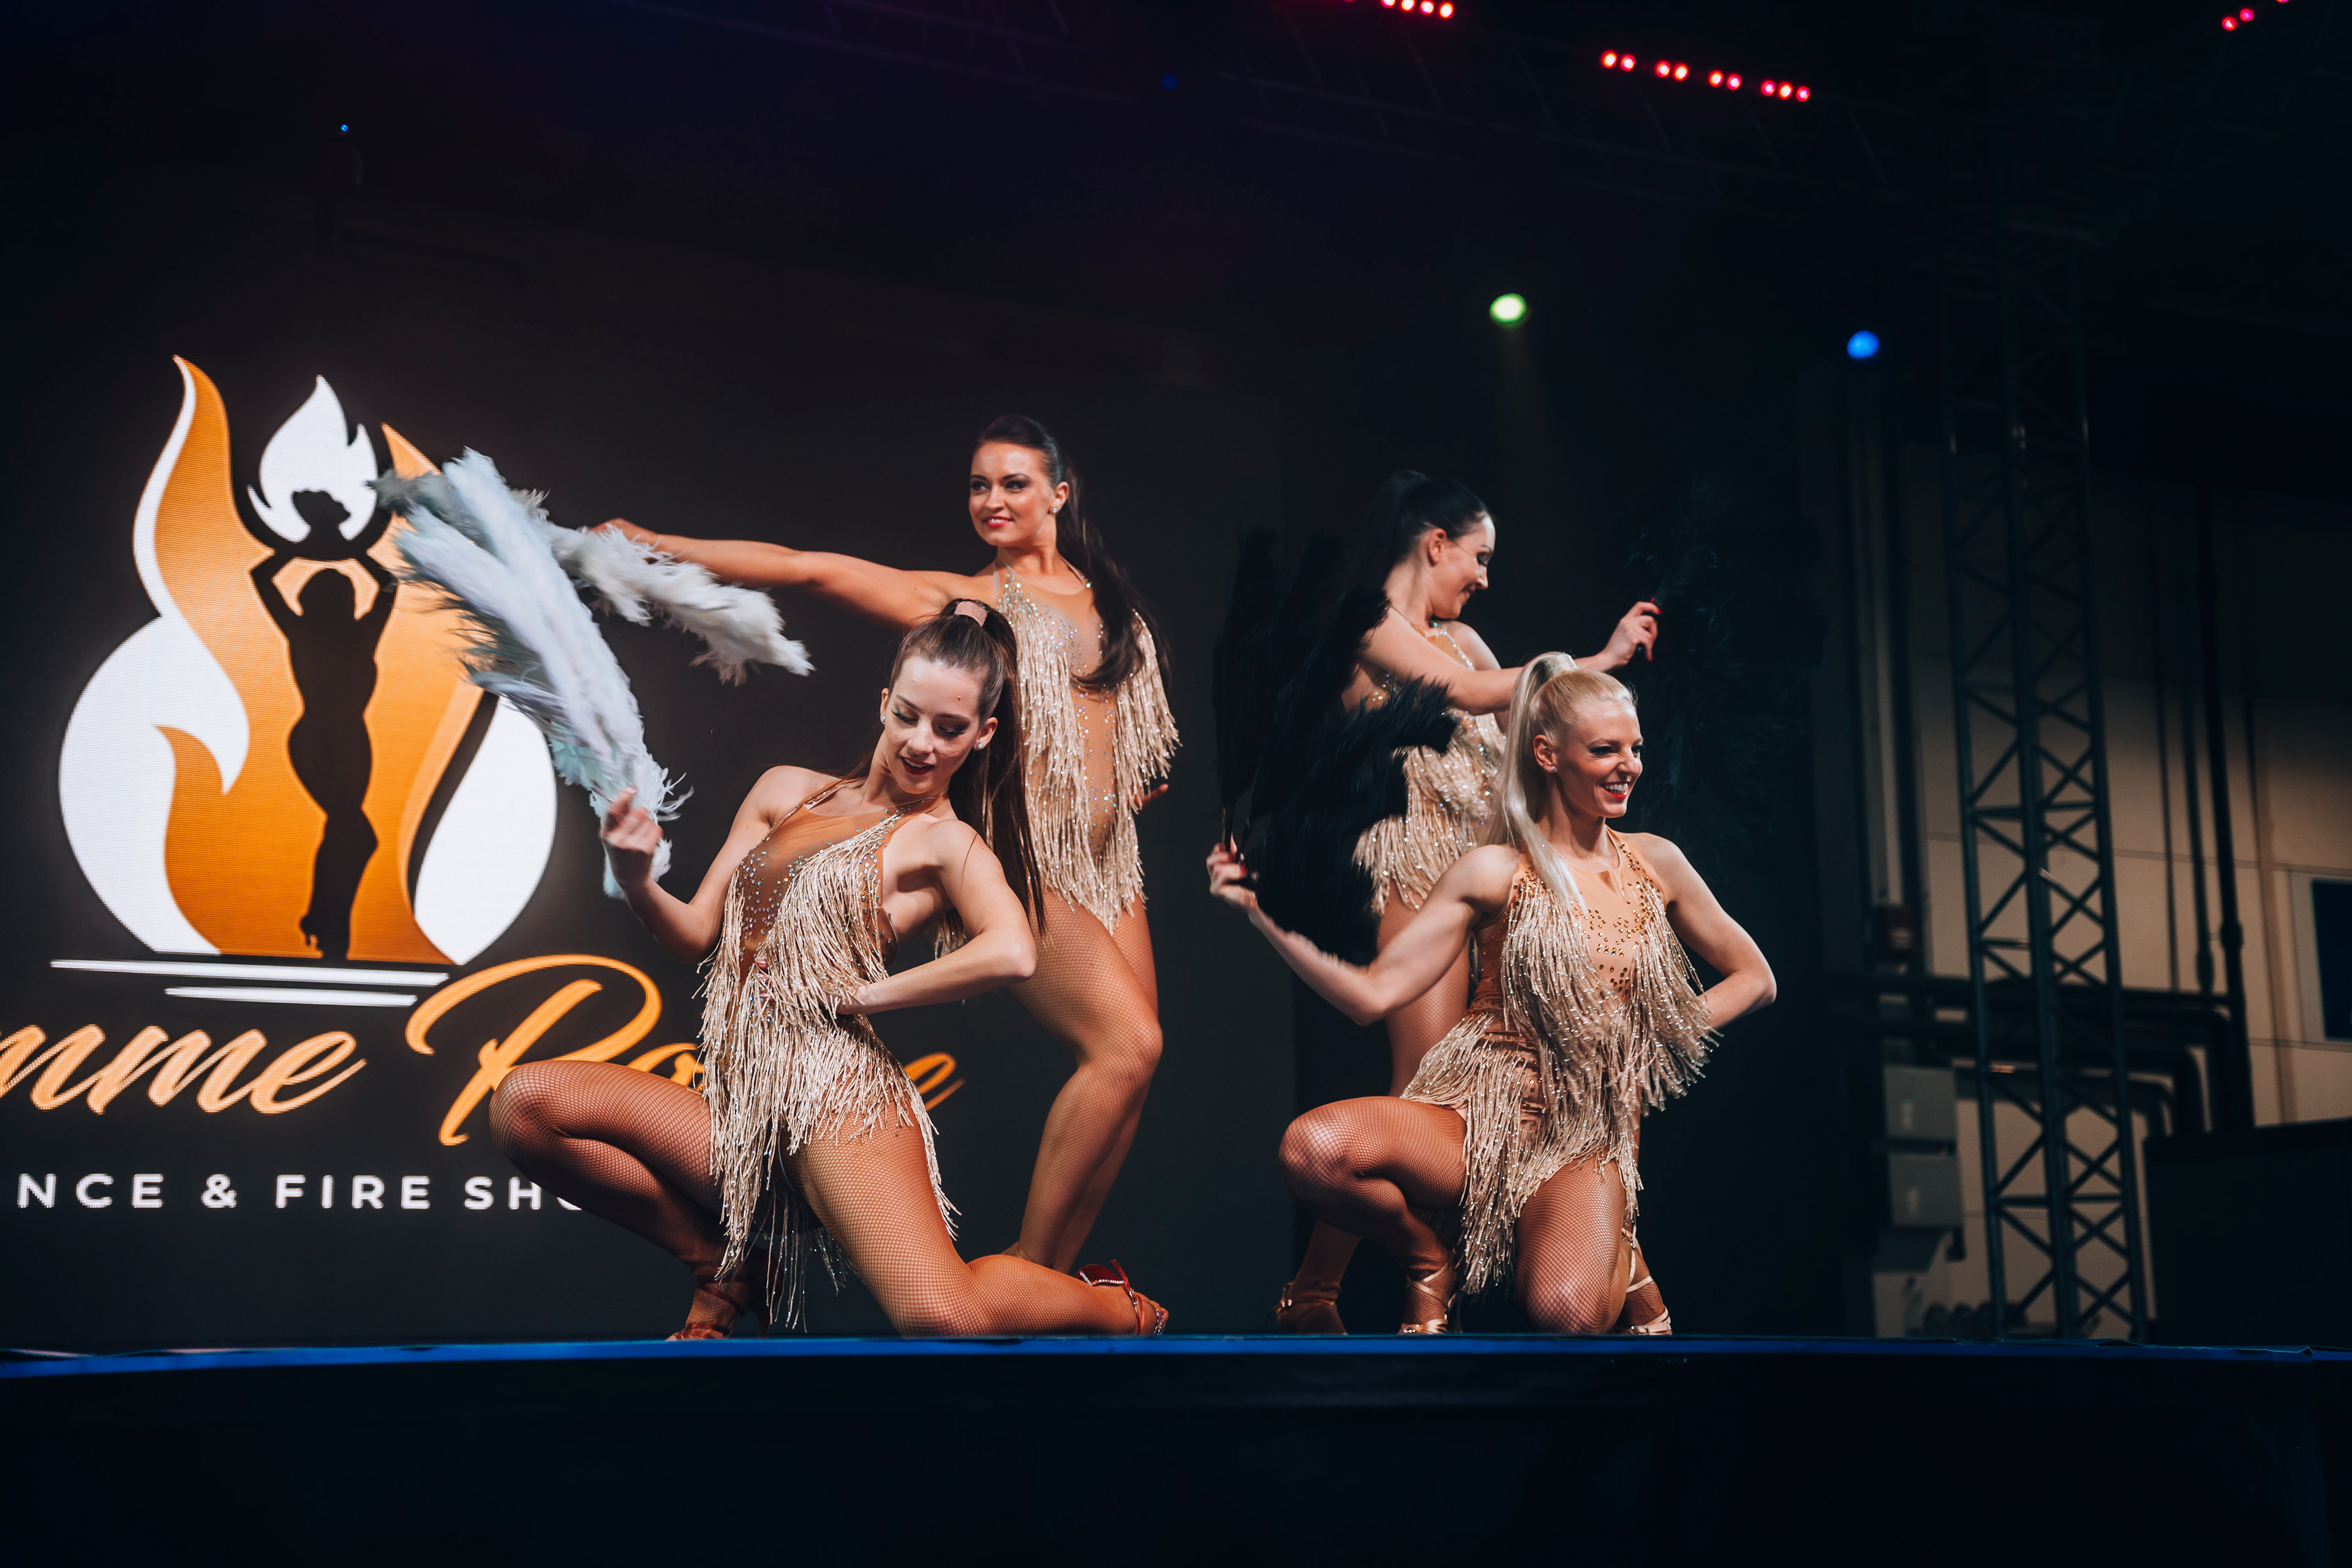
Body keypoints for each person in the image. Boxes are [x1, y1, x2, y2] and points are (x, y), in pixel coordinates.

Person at [490, 604, 1165, 1338]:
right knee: (526, 1107)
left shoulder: (946, 842)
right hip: (744, 1118)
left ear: (982, 734)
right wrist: (637, 879)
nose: (921, 743)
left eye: (949, 729)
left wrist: (863, 995)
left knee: (940, 1313)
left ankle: (1115, 1305)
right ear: (884, 702)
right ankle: (721, 1261)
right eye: (908, 716)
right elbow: (693, 935)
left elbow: (1013, 951)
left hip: (838, 1107)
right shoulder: (785, 790)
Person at [601, 416, 1172, 1273]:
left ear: (1059, 493)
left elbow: (1122, 727)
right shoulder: (969, 602)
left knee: (1131, 1066)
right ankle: (1031, 1274)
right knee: (1129, 1045)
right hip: (1033, 862)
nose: (992, 500)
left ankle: (1050, 1273)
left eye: (1013, 483)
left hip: (1110, 860)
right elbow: (811, 568)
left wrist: (1126, 783)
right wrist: (657, 544)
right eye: (978, 484)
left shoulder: (1110, 603)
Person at [1212, 659, 1772, 1334]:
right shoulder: (1493, 870)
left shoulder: (1657, 861)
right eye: (1606, 750)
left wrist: (1653, 1036)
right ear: (1548, 754)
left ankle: (1626, 1260)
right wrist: (1260, 912)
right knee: (1313, 1150)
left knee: (1566, 1318)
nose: (1629, 766)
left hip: (1580, 1131)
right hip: (1478, 1115)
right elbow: (1372, 994)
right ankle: (1429, 1262)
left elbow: (1755, 978)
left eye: (1636, 748)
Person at [1272, 473, 1660, 1331]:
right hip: (1421, 873)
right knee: (1425, 1089)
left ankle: (1606, 1252)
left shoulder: (1468, 639)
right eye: (1477, 557)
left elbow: (1532, 725)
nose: (1484, 577)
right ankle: (1328, 1287)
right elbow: (1473, 695)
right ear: (1434, 543)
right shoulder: (1368, 623)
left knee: (1531, 1077)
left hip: (1502, 888)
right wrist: (1598, 663)